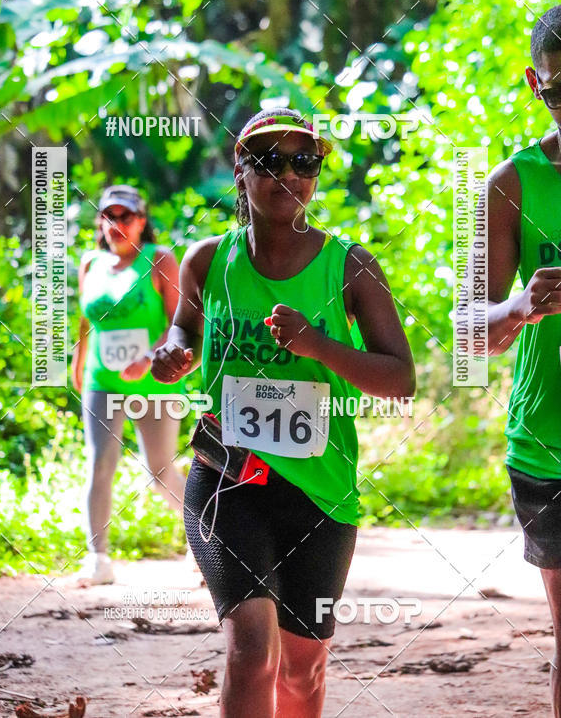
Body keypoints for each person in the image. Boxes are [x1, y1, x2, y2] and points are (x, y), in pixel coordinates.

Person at [151, 109, 415, 717]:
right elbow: (182, 334)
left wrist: (318, 344)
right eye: (268, 160)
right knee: (252, 651)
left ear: (317, 173)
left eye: (304, 161)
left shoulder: (350, 266)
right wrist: (174, 355)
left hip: (320, 493)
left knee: (303, 670)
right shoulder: (207, 261)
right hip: (228, 479)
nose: (287, 175)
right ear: (240, 169)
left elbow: (400, 378)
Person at [486, 5, 561, 716]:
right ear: (536, 85)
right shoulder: (514, 182)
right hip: (549, 444)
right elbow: (471, 328)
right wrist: (519, 307)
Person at [71, 184, 185, 585]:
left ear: (141, 222)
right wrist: (79, 359)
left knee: (160, 474)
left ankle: (208, 541)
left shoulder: (160, 260)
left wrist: (150, 357)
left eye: (125, 217)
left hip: (157, 382)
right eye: (108, 216)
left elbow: (179, 323)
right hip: (103, 381)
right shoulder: (90, 263)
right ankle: (98, 559)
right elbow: (87, 319)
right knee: (99, 464)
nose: (116, 224)